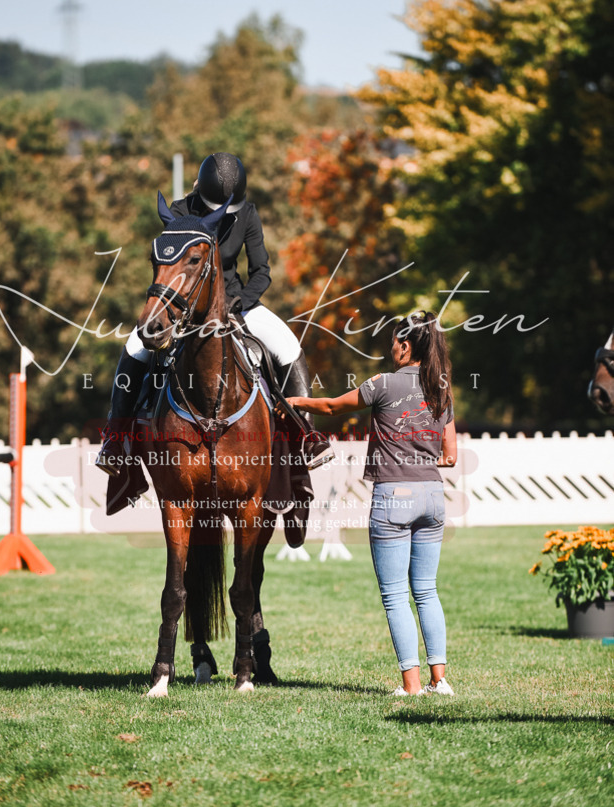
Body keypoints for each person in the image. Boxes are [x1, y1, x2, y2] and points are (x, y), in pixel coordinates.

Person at [96, 152, 334, 475]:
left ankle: (307, 436)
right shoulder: (180, 212)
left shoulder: (247, 213)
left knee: (288, 345)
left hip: (238, 303)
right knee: (135, 346)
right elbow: (168, 266)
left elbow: (262, 271)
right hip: (185, 308)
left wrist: (240, 302)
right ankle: (116, 438)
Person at [287, 311, 458, 696]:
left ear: (406, 344)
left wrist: (297, 400)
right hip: (432, 495)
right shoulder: (441, 388)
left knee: (396, 595)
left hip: (393, 497)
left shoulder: (383, 384)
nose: (390, 347)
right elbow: (450, 455)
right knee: (427, 591)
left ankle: (411, 687)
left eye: (394, 341)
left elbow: (331, 407)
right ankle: (439, 681)